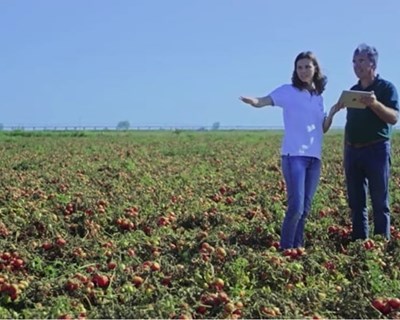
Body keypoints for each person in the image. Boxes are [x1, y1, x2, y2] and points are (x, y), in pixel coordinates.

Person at [239, 51, 341, 250]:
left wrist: (333, 112)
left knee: (305, 209)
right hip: (294, 156)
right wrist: (254, 101)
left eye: (307, 67)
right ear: (295, 70)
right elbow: (264, 101)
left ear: (315, 69)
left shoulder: (318, 97)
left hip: (314, 158)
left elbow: (323, 128)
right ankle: (285, 249)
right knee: (296, 207)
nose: (303, 71)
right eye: (299, 67)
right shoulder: (288, 91)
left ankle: (297, 247)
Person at [343, 43, 399, 241]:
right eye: (354, 62)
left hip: (376, 149)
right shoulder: (353, 91)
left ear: (372, 64)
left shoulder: (386, 88)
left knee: (379, 201)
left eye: (361, 61)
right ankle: (360, 243)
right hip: (353, 151)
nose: (356, 66)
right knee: (356, 202)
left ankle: (381, 244)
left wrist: (374, 104)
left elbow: (393, 118)